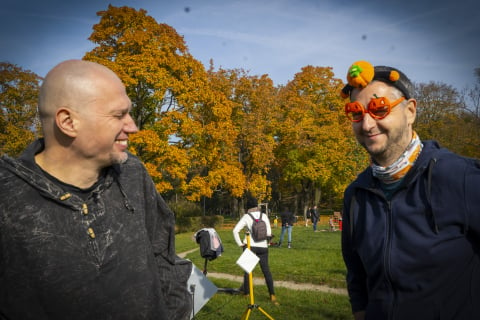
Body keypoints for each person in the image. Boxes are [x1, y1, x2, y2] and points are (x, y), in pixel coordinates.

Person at [0, 60, 192, 320]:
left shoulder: (133, 173)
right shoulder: (7, 198)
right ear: (68, 122)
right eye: (118, 115)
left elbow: (165, 259)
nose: (133, 127)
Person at [340, 60, 480, 320]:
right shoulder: (355, 195)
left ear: (410, 111)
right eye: (356, 113)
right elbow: (356, 275)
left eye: (379, 108)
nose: (367, 124)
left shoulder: (460, 177)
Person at [233, 198, 278, 305]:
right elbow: (269, 233)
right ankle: (272, 295)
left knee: (248, 271)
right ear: (257, 205)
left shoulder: (246, 217)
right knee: (266, 271)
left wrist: (240, 244)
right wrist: (266, 244)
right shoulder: (264, 216)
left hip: (250, 246)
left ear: (248, 206)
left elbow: (235, 230)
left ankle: (246, 293)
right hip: (263, 247)